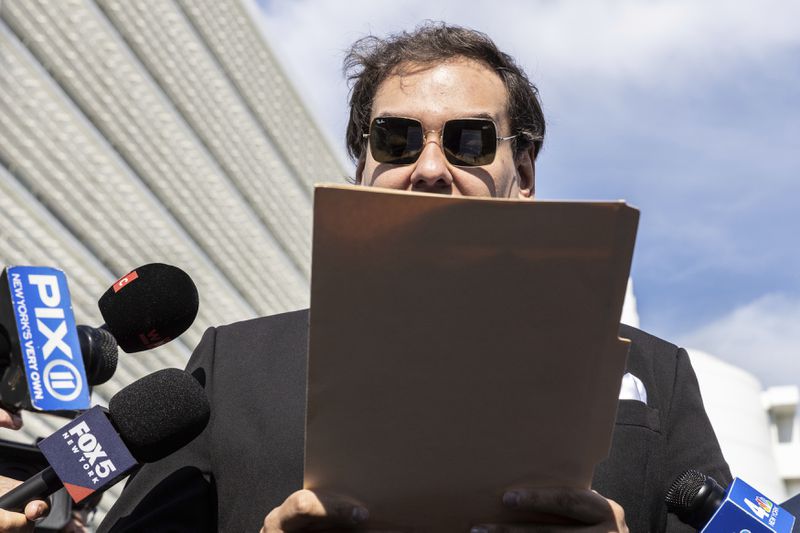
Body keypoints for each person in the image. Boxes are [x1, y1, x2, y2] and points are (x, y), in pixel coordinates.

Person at [5, 22, 732, 532]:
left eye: (471, 140)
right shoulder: (236, 368)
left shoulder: (654, 372)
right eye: (397, 138)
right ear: (362, 166)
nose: (430, 168)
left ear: (525, 175)